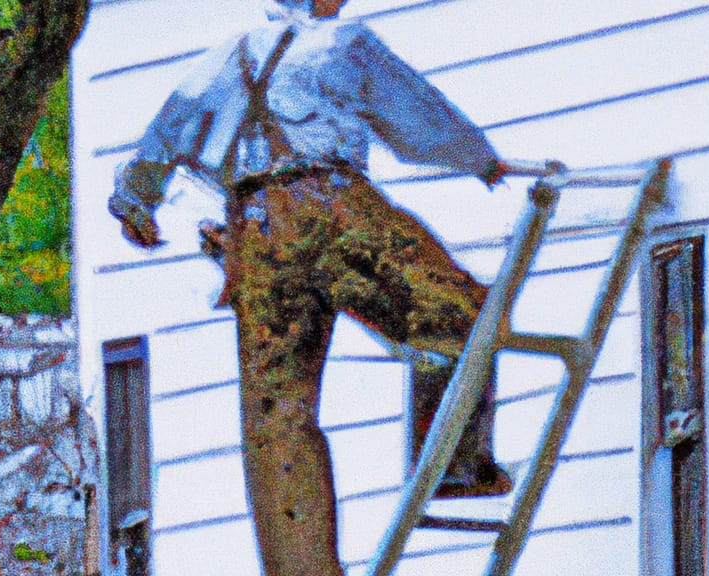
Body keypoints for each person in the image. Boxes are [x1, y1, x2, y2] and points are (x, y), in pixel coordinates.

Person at [109, 1, 510, 573]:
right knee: (463, 314)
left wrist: (135, 201)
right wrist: (481, 160)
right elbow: (417, 118)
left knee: (279, 411)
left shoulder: (229, 54)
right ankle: (455, 464)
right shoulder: (340, 43)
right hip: (331, 207)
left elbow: (168, 128)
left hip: (255, 230)